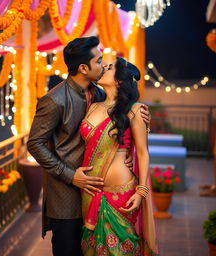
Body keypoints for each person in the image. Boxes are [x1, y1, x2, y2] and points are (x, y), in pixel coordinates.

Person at [27, 36, 151, 256]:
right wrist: (70, 175)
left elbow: (120, 119)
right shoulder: (54, 100)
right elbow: (35, 144)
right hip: (66, 193)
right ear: (83, 68)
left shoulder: (99, 93)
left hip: (96, 190)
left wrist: (137, 125)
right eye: (99, 61)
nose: (104, 65)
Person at [80, 57, 159, 255]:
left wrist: (141, 191)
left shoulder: (134, 110)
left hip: (122, 194)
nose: (103, 69)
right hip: (90, 191)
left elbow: (142, 152)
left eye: (108, 68)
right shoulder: (92, 106)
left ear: (120, 81)